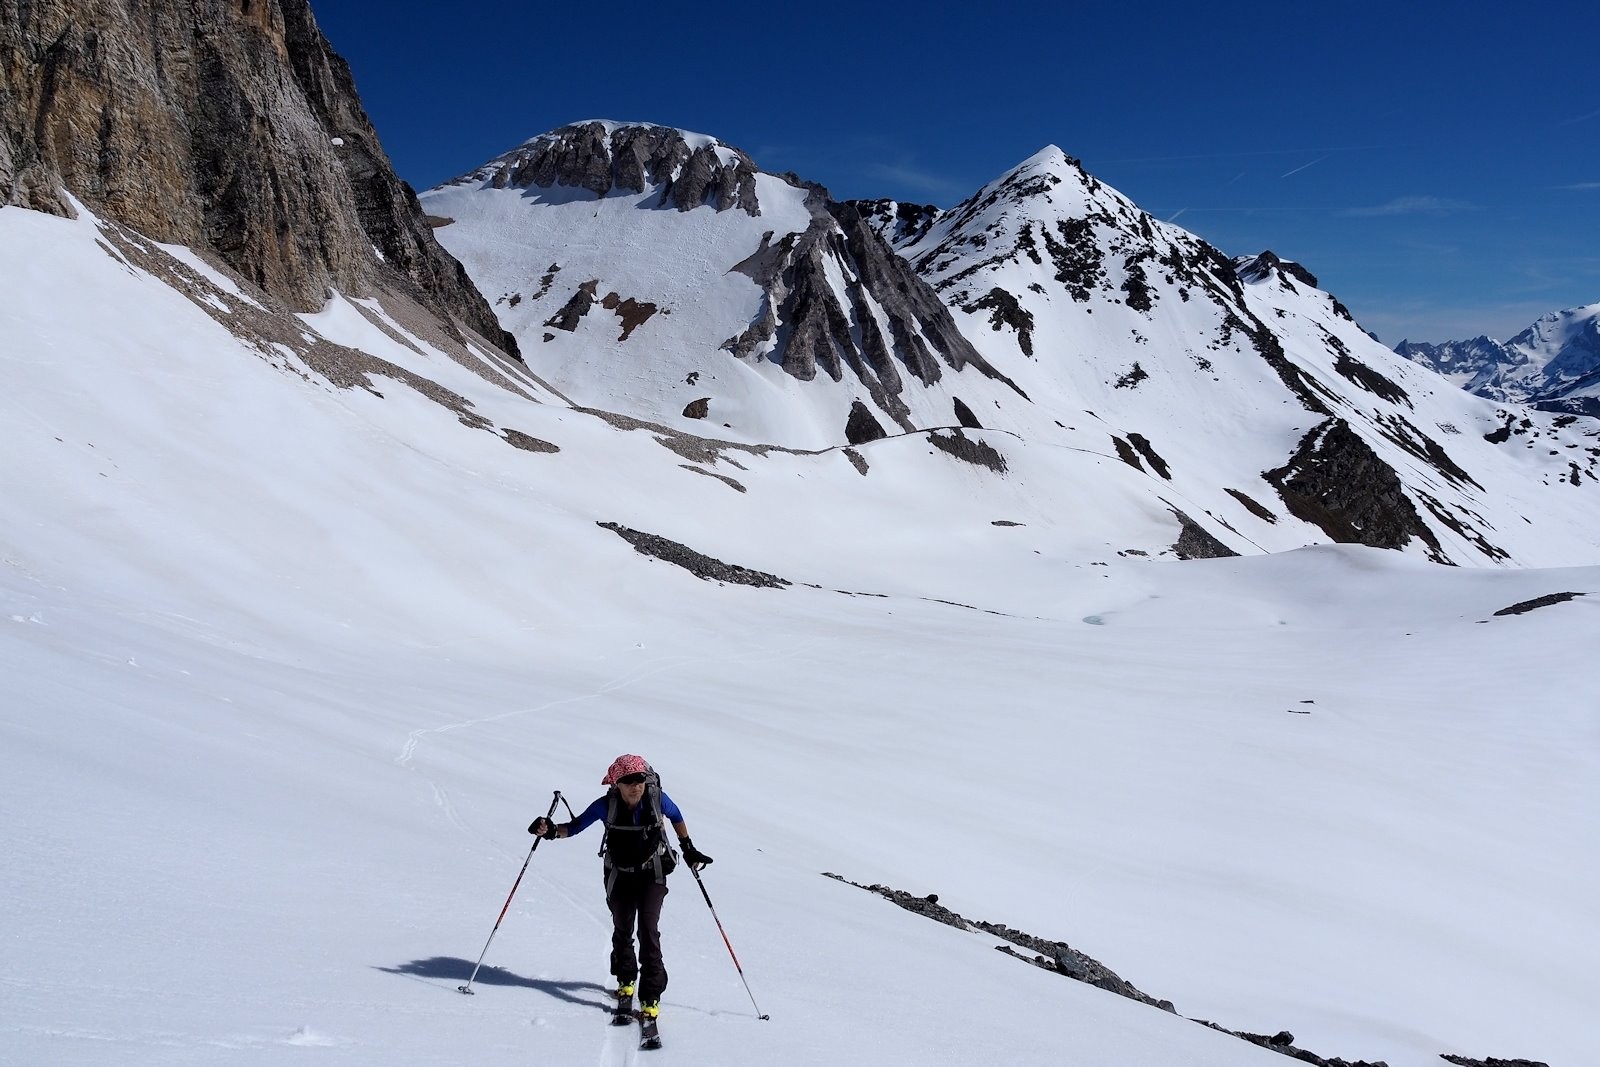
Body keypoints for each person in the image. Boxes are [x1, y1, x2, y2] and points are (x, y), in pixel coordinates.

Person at [530, 754, 712, 1022]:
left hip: (653, 874)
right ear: (616, 783)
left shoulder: (656, 798)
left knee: (648, 929)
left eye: (639, 779)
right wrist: (549, 831)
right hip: (619, 875)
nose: (635, 785)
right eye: (628, 780)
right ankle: (626, 980)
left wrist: (688, 849)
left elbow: (677, 816)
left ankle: (651, 994)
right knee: (623, 927)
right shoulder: (606, 805)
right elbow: (575, 827)